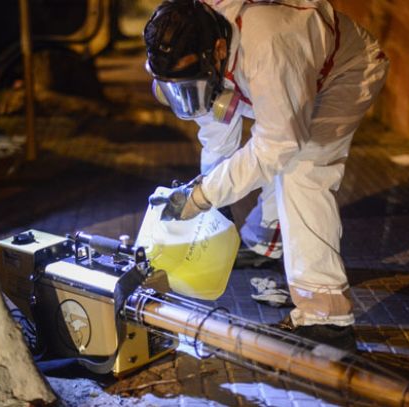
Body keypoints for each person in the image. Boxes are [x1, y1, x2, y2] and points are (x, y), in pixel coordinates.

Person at [144, 0, 389, 352]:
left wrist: (202, 195)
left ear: (218, 50)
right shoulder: (188, 41)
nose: (187, 98)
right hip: (273, 70)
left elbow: (278, 145)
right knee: (280, 150)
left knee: (303, 168)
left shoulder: (269, 46)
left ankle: (327, 320)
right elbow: (216, 130)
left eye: (191, 85)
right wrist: (212, 203)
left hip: (343, 73)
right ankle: (264, 242)